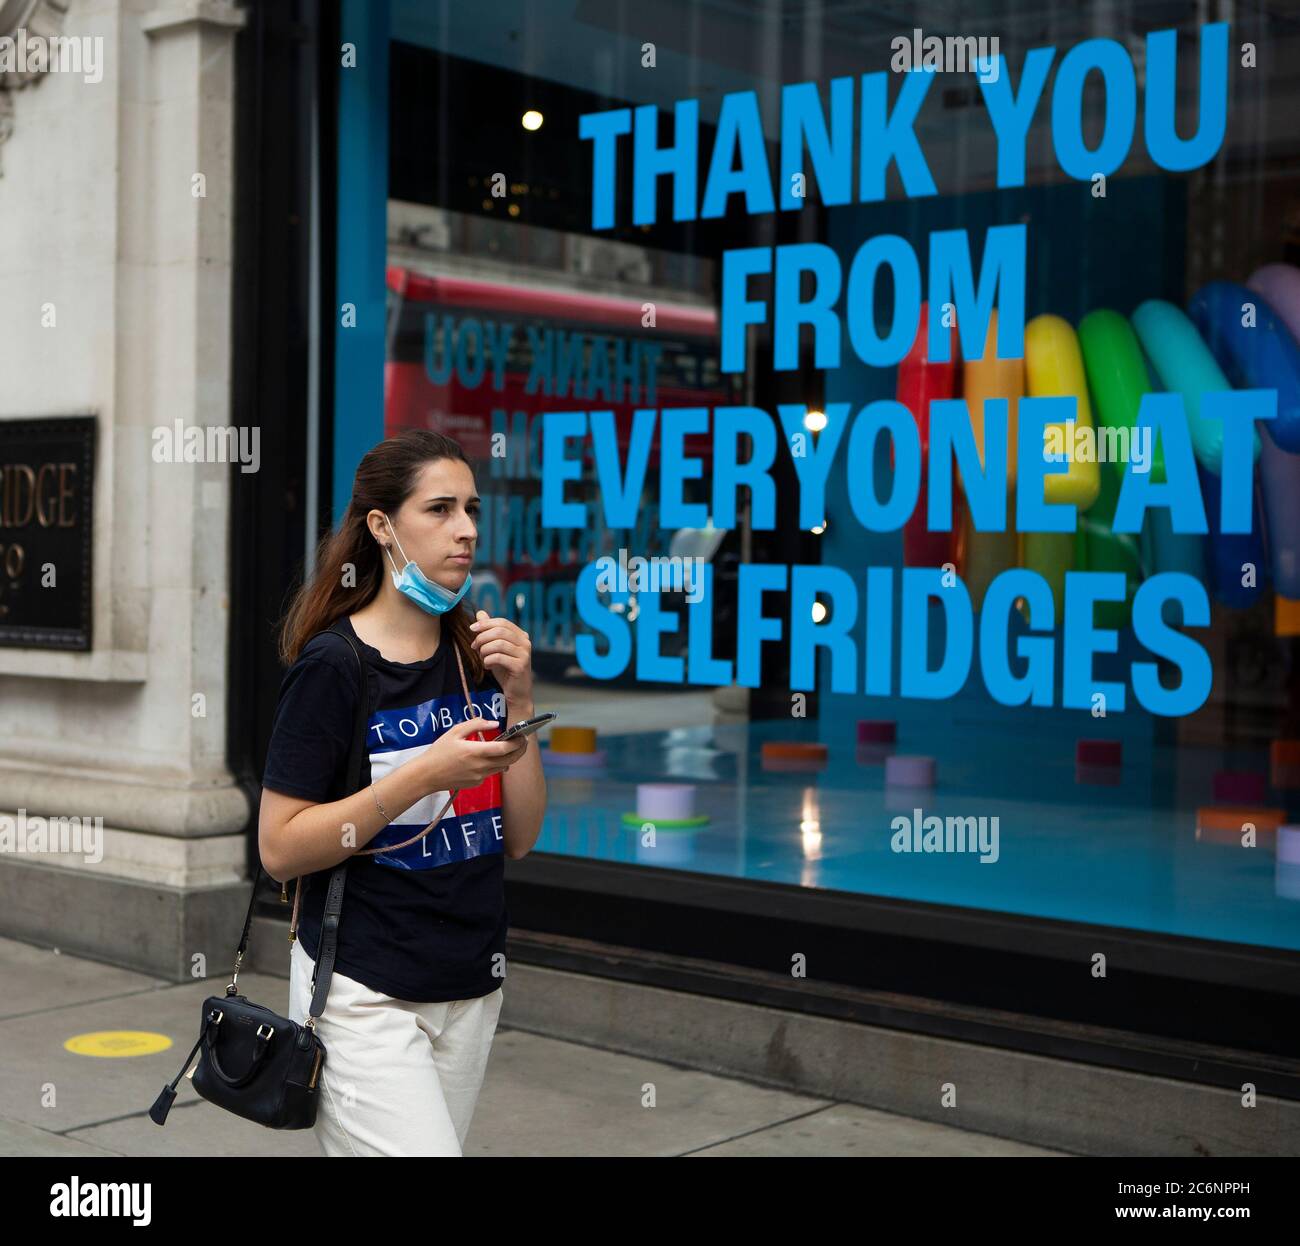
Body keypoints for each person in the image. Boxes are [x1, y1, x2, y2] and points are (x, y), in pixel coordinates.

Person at [258, 429, 546, 1156]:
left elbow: (521, 835)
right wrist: (424, 773)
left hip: (470, 984)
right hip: (364, 989)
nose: (467, 530)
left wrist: (519, 701)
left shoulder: (473, 655)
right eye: (441, 509)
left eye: (472, 509)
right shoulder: (335, 666)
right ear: (383, 527)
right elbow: (279, 849)